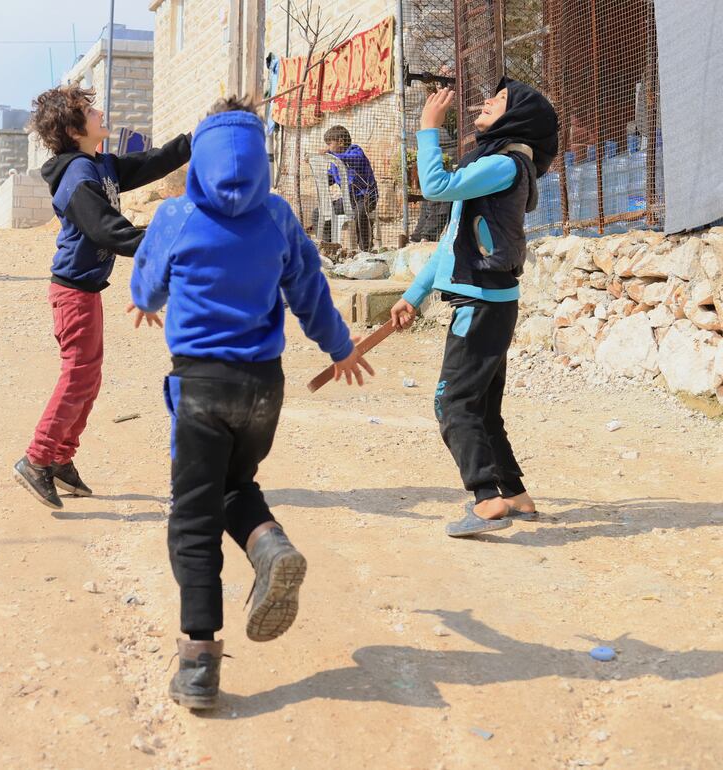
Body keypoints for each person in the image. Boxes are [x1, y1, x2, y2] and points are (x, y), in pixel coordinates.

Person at [129, 97, 374, 710]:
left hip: (202, 389)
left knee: (192, 518)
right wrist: (340, 348)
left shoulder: (177, 214)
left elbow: (146, 283)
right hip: (264, 388)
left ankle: (199, 663)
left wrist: (145, 297)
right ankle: (268, 545)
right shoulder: (278, 216)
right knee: (235, 484)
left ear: (200, 155)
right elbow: (309, 289)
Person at [390, 77, 558, 538]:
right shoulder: (493, 165)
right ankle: (516, 495)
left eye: (500, 100)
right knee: (483, 410)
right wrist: (413, 295)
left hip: (481, 304)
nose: (487, 102)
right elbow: (452, 239)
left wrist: (428, 128)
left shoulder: (505, 164)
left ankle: (485, 500)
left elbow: (435, 187)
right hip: (488, 303)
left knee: (453, 403)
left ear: (519, 118)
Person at [12, 84, 191, 509]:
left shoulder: (100, 165)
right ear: (75, 130)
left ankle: (59, 457)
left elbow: (150, 162)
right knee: (77, 375)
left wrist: (197, 138)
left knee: (88, 378)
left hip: (86, 291)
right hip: (72, 292)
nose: (100, 113)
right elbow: (108, 230)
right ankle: (37, 459)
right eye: (91, 111)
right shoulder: (76, 176)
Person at [311, 125, 378, 251]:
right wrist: (318, 171)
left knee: (360, 213)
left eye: (329, 144)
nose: (328, 147)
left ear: (341, 142)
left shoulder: (355, 151)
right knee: (318, 213)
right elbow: (330, 178)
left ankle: (365, 249)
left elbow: (354, 160)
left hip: (366, 197)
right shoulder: (335, 162)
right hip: (348, 200)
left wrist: (331, 155)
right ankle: (328, 247)